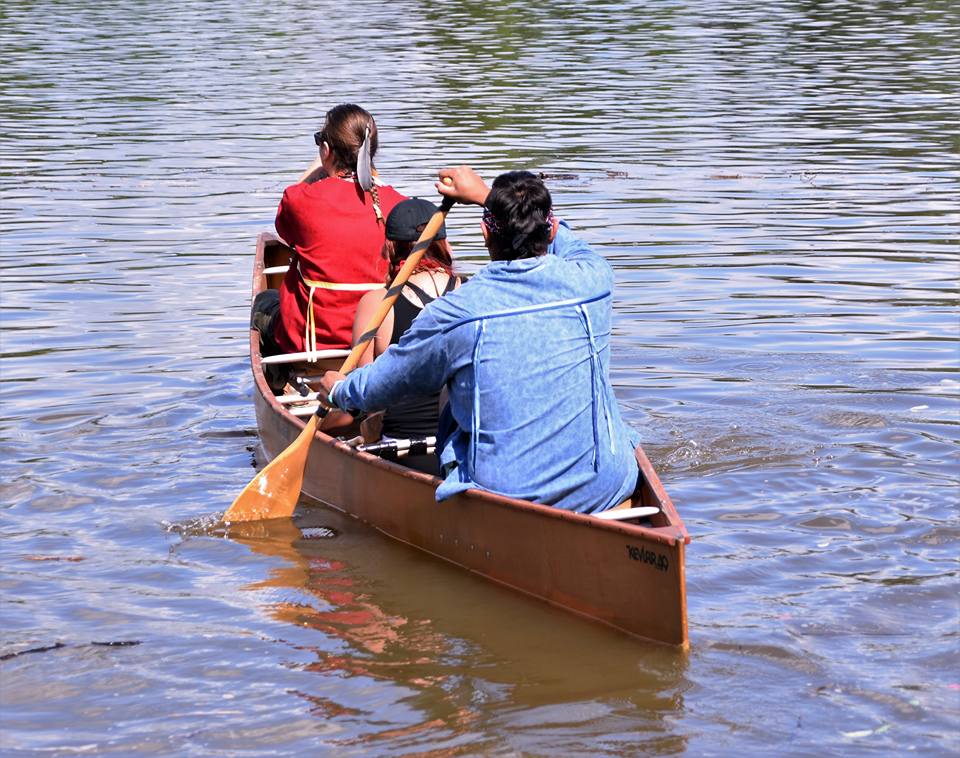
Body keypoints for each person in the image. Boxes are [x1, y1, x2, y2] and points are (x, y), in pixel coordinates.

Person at [317, 166, 640, 514]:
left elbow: (385, 383)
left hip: (511, 495)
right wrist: (484, 195)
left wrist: (340, 390)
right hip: (606, 486)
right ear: (552, 230)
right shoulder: (594, 280)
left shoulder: (456, 313)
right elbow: (569, 239)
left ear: (485, 233)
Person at [251, 104, 407, 365]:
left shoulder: (302, 200)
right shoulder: (398, 205)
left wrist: (317, 167)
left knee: (266, 301)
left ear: (326, 150)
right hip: (378, 339)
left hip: (314, 343)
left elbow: (284, 223)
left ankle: (279, 377)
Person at [351, 198, 462, 473]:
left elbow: (363, 396)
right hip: (462, 449)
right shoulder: (473, 293)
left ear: (390, 247)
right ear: (444, 244)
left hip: (400, 452)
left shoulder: (378, 304)